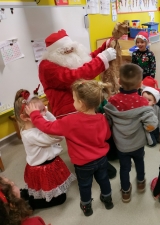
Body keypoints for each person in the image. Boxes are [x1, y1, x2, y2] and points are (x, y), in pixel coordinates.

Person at [25, 79, 114, 217]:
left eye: (74, 100)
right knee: (104, 180)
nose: (72, 102)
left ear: (81, 103)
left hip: (83, 164)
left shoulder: (69, 121)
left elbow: (47, 127)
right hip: (102, 160)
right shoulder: (101, 118)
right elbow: (107, 135)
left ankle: (87, 207)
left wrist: (34, 114)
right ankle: (108, 200)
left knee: (84, 186)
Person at [38, 29, 117, 178]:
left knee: (97, 131)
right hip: (69, 109)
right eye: (65, 50)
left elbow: (86, 61)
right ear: (55, 52)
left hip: (85, 102)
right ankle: (89, 165)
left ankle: (105, 157)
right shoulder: (47, 67)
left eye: (71, 48)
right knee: (82, 139)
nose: (70, 51)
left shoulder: (67, 57)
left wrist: (104, 48)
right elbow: (76, 75)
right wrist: (102, 60)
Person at [104, 64, 158, 203]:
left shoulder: (112, 101)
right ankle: (140, 182)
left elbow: (108, 121)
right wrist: (148, 129)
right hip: (138, 143)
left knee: (124, 168)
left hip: (121, 144)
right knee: (140, 162)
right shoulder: (143, 102)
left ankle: (126, 192)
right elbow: (152, 124)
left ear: (119, 81)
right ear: (141, 84)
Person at [13, 90, 75, 210]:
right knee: (60, 198)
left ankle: (28, 194)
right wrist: (43, 117)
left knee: (51, 190)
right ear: (25, 117)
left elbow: (54, 125)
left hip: (49, 164)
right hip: (42, 169)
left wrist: (43, 114)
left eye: (45, 108)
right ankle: (30, 204)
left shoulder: (37, 125)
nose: (45, 113)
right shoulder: (30, 134)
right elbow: (59, 134)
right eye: (40, 111)